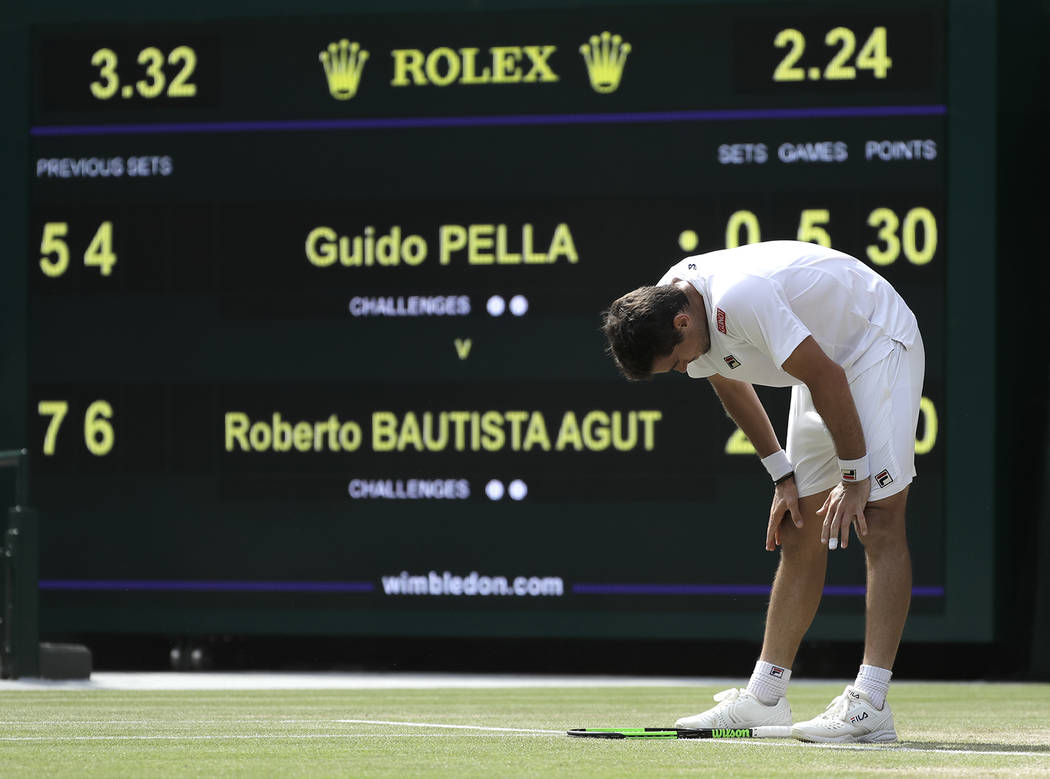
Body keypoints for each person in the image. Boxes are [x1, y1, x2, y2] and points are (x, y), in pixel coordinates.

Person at [601, 240, 924, 743]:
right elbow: (729, 381)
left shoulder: (740, 298)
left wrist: (856, 478)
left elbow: (827, 375)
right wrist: (782, 474)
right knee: (800, 528)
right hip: (824, 370)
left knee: (879, 517)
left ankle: (870, 704)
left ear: (683, 324)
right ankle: (766, 697)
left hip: (873, 343)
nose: (684, 370)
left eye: (678, 363)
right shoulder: (675, 303)